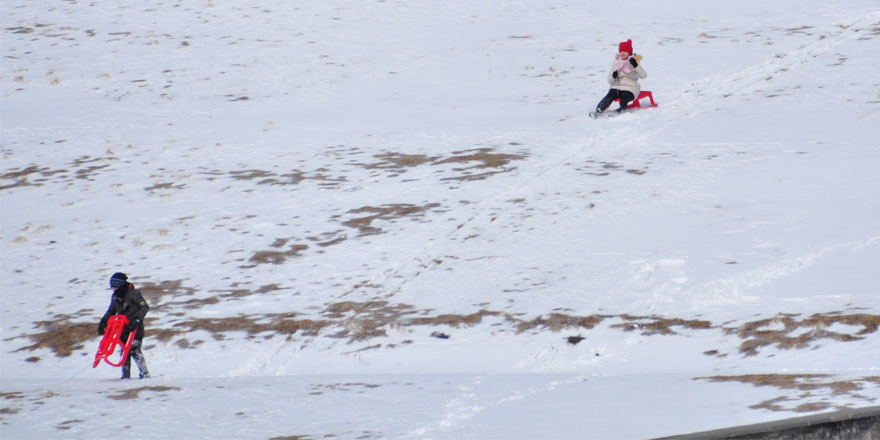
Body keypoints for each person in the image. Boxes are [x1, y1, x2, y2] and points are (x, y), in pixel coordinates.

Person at [98, 272, 150, 379]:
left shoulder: (134, 294)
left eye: (115, 286)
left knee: (134, 350)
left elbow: (145, 307)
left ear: (121, 285)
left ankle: (144, 374)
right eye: (112, 287)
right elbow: (111, 311)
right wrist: (103, 321)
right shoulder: (115, 296)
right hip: (122, 328)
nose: (113, 289)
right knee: (124, 351)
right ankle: (125, 376)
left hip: (135, 327)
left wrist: (136, 320)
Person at [589, 39, 648, 119]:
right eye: (621, 51)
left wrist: (635, 66)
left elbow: (643, 76)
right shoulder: (616, 63)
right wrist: (613, 76)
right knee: (609, 95)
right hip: (617, 86)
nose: (622, 53)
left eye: (625, 51)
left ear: (629, 52)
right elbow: (609, 80)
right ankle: (598, 111)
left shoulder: (634, 61)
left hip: (631, 87)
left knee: (624, 97)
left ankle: (621, 111)